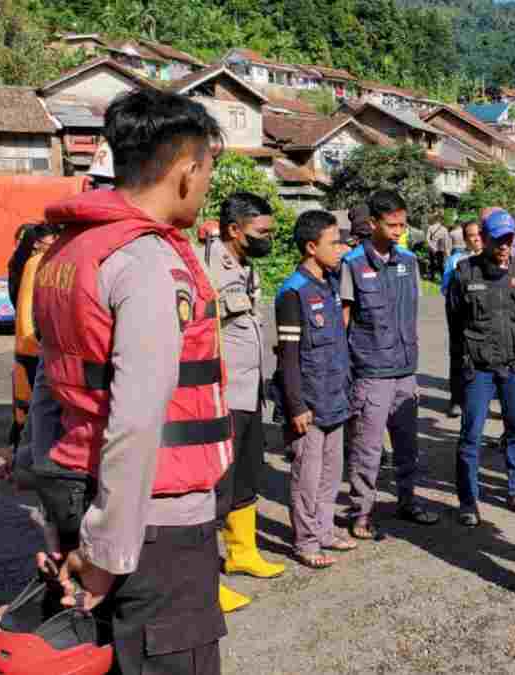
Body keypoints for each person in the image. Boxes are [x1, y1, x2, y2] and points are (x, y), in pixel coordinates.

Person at [31, 88, 228, 672]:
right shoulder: (145, 263)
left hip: (79, 492)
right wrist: (108, 553)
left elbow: (50, 387)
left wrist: (61, 518)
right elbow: (139, 417)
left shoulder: (70, 251)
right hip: (152, 521)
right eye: (209, 169)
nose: (208, 184)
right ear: (187, 169)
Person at [196, 192, 286, 613]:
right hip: (221, 396)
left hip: (249, 392)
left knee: (247, 475)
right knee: (215, 487)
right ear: (235, 229)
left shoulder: (245, 266)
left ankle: (242, 552)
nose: (269, 237)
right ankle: (201, 582)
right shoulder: (206, 267)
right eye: (261, 231)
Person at [341, 189, 440, 539]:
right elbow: (344, 320)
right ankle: (361, 513)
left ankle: (408, 500)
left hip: (404, 370)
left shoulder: (409, 262)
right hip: (370, 372)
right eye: (392, 224)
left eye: (403, 224)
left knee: (408, 445)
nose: (399, 230)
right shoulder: (352, 264)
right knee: (366, 449)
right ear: (373, 223)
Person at [274, 211, 359, 569]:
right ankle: (306, 540)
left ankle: (324, 531)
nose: (341, 248)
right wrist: (295, 405)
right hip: (307, 401)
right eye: (334, 242)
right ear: (311, 247)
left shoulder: (328, 283)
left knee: (329, 474)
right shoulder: (293, 293)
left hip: (334, 396)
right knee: (306, 478)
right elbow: (288, 358)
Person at [448, 209, 515, 524]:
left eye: (509, 239)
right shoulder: (464, 273)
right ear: (484, 239)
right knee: (471, 434)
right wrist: (457, 376)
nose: (504, 245)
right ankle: (468, 501)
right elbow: (454, 327)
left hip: (514, 365)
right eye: (497, 239)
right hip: (478, 368)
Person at [0, 223, 60, 481]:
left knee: (31, 406)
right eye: (51, 237)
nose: (55, 240)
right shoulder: (37, 264)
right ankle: (24, 460)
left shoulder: (31, 264)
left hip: (29, 342)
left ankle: (19, 456)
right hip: (33, 344)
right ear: (36, 242)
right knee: (34, 408)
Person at [441, 215, 484, 418]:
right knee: (458, 356)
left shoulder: (492, 258)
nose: (475, 239)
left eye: (478, 235)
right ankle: (457, 400)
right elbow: (446, 290)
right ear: (465, 239)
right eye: (471, 236)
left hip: (483, 316)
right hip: (459, 315)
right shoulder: (456, 260)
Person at [425, 208, 451, 281]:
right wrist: (446, 251)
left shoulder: (430, 227)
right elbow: (446, 241)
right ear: (441, 220)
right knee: (440, 264)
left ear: (435, 220)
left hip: (432, 249)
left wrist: (432, 246)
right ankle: (443, 278)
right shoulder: (444, 229)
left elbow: (427, 239)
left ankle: (432, 277)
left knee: (432, 263)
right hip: (440, 249)